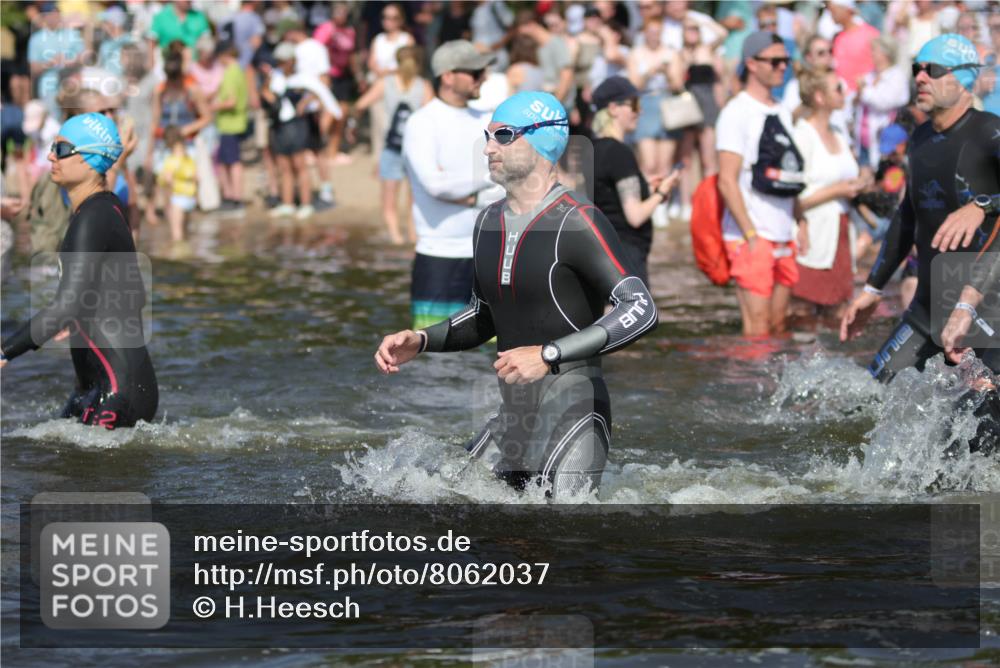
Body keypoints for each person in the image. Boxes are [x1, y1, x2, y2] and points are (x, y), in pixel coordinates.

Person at [375, 91, 658, 498]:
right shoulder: (487, 221)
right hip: (513, 418)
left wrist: (547, 354)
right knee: (432, 502)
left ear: (544, 140)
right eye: (487, 136)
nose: (488, 148)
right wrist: (420, 340)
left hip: (574, 413)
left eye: (504, 135)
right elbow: (482, 315)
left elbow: (641, 308)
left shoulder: (577, 220)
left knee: (559, 530)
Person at [840, 34, 1000, 454]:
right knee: (865, 409)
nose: (921, 77)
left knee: (979, 437)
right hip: (928, 310)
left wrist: (983, 205)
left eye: (934, 70)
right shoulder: (921, 138)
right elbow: (907, 216)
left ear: (965, 79)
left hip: (985, 313)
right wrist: (873, 288)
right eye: (917, 68)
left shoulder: (989, 132)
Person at [0, 112, 158, 430]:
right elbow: (135, 293)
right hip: (94, 387)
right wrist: (81, 317)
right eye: (52, 147)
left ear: (89, 160)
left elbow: (65, 305)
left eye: (60, 149)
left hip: (119, 389)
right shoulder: (101, 209)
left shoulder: (93, 217)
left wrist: (6, 351)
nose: (50, 156)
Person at [401, 40, 499, 330]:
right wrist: (487, 180)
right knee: (435, 350)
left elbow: (512, 175)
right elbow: (436, 185)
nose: (483, 77)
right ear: (447, 76)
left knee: (498, 351)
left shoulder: (487, 120)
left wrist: (464, 190)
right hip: (439, 255)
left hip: (489, 253)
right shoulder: (422, 122)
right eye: (475, 72)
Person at [716, 31, 807, 338]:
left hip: (783, 232)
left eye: (786, 61)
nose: (783, 67)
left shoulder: (781, 109)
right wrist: (750, 235)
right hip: (752, 235)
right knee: (758, 331)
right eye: (775, 61)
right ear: (751, 64)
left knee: (779, 326)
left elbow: (788, 174)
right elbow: (727, 180)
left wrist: (801, 220)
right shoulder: (736, 112)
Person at [590, 76, 681, 285]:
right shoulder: (620, 153)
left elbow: (607, 195)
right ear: (613, 109)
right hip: (626, 256)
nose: (640, 111)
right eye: (634, 104)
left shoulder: (592, 149)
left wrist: (645, 187)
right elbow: (636, 216)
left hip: (601, 253)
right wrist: (661, 192)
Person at [791, 68, 863, 322]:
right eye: (838, 88)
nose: (845, 92)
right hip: (812, 233)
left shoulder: (839, 133)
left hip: (841, 231)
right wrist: (838, 190)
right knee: (803, 312)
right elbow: (793, 198)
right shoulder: (802, 136)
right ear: (820, 97)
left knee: (839, 313)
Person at [351, 46, 432, 244]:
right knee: (415, 198)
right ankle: (413, 236)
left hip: (392, 146)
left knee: (389, 199)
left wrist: (353, 125)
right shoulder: (423, 86)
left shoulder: (384, 83)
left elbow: (360, 105)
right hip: (416, 150)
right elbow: (432, 117)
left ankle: (396, 237)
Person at [212, 41, 249, 210]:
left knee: (233, 162)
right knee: (226, 161)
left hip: (231, 124)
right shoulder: (237, 70)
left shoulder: (231, 72)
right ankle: (231, 196)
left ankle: (235, 198)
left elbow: (231, 101)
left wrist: (211, 107)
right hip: (232, 124)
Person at [158, 125, 197, 242]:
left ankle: (178, 251)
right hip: (190, 196)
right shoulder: (189, 156)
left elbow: (168, 180)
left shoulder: (171, 159)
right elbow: (196, 177)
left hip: (177, 198)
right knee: (186, 229)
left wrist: (168, 200)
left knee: (176, 232)